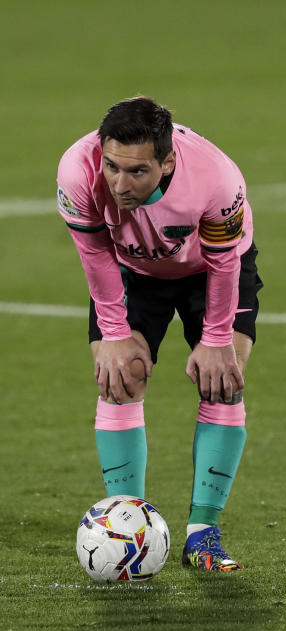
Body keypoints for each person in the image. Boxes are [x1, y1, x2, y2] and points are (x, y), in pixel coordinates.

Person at [57, 96, 262, 572]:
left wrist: (215, 342)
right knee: (119, 375)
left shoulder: (216, 179)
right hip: (131, 270)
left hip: (208, 270)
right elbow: (94, 254)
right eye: (112, 167)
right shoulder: (76, 172)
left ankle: (203, 534)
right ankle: (124, 523)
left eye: (137, 172)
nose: (119, 184)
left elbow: (223, 263)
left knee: (223, 380)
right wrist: (112, 333)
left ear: (167, 161)